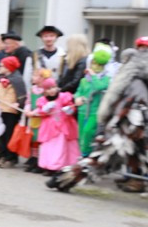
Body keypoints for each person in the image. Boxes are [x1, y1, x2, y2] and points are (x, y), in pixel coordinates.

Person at [50, 37, 148, 193]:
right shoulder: (138, 73)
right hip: (133, 121)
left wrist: (105, 116)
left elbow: (114, 93)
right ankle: (136, 179)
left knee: (107, 153)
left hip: (128, 120)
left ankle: (68, 178)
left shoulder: (132, 69)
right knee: (132, 151)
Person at [28, 78, 79, 175]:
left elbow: (72, 109)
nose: (52, 90)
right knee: (47, 147)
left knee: (59, 148)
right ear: (45, 91)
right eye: (49, 88)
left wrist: (69, 109)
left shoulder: (64, 97)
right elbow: (41, 112)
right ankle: (48, 166)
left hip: (62, 127)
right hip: (48, 128)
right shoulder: (42, 100)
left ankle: (56, 168)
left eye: (54, 87)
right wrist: (45, 109)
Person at [74, 47, 112, 156]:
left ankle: (87, 155)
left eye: (100, 65)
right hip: (82, 111)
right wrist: (77, 98)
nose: (96, 67)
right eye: (93, 63)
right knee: (81, 135)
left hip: (95, 112)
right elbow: (78, 92)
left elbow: (99, 87)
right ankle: (82, 157)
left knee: (87, 132)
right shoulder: (84, 80)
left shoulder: (106, 79)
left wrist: (94, 76)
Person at [0, 56, 27, 168]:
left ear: (8, 67)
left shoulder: (17, 79)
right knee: (0, 134)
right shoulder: (0, 78)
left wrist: (18, 103)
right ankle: (2, 154)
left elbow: (22, 95)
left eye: (2, 65)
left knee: (10, 135)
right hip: (1, 110)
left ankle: (11, 157)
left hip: (11, 112)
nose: (0, 67)